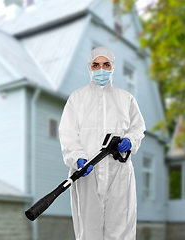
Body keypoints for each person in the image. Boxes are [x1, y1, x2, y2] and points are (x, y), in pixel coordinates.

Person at [58, 46, 146, 240]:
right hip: (87, 172)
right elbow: (67, 133)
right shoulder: (77, 98)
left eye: (106, 64)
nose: (101, 70)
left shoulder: (126, 99)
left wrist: (129, 140)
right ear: (90, 68)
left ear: (112, 67)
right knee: (88, 229)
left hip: (119, 174)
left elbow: (138, 128)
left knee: (121, 227)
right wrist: (78, 159)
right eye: (96, 65)